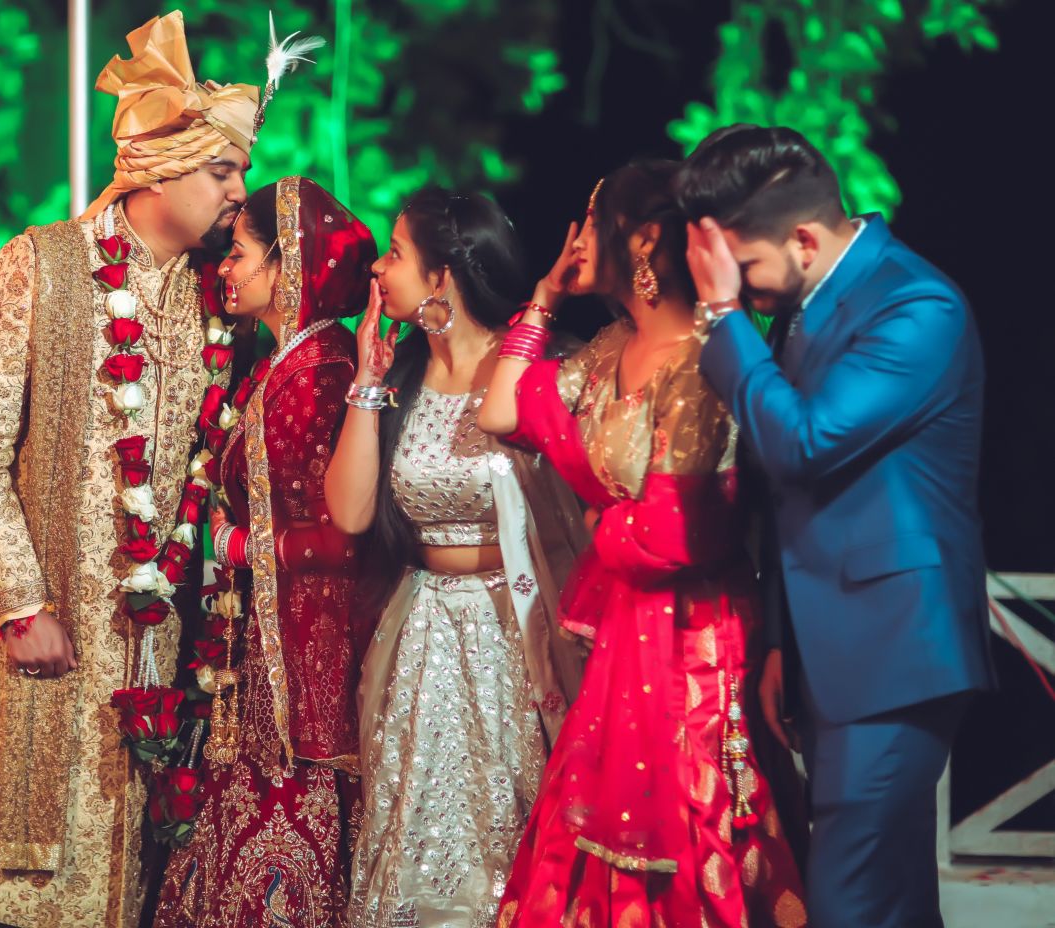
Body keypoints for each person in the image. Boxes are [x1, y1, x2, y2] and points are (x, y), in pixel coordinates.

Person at [0, 11, 280, 927]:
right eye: (223, 169)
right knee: (14, 895)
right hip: (40, 641)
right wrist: (20, 603)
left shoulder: (218, 301)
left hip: (160, 656)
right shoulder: (38, 265)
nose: (240, 188)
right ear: (160, 168)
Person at [477, 161, 808, 927]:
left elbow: (681, 533)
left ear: (645, 239)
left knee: (698, 826)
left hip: (695, 637)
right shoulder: (607, 350)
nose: (576, 238)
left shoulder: (706, 359)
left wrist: (603, 526)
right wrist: (545, 299)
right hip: (627, 628)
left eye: (591, 222)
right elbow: (503, 412)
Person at [678, 125, 992, 928]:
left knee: (850, 901)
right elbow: (798, 508)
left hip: (897, 650)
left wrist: (720, 317)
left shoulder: (918, 307)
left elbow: (804, 447)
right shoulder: (811, 301)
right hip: (833, 648)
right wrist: (786, 640)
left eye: (743, 270)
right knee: (890, 898)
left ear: (806, 239)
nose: (739, 292)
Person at [324, 188, 588, 928]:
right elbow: (348, 512)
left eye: (397, 253)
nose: (379, 268)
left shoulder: (532, 369)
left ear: (443, 276)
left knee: (509, 830)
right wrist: (367, 380)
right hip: (423, 637)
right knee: (419, 831)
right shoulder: (400, 378)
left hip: (520, 631)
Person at [152, 176, 374, 928]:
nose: (226, 269)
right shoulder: (279, 366)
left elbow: (344, 536)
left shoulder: (321, 375)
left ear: (290, 265)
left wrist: (238, 544)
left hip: (305, 663)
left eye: (240, 253)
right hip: (263, 647)